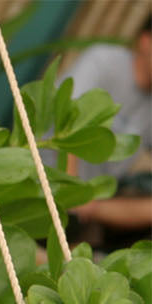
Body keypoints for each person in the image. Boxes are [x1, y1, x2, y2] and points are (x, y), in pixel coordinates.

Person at [63, 16, 152, 245]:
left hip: (85, 209)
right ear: (145, 41)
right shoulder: (104, 60)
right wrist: (71, 187)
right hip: (48, 180)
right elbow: (66, 115)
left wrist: (86, 203)